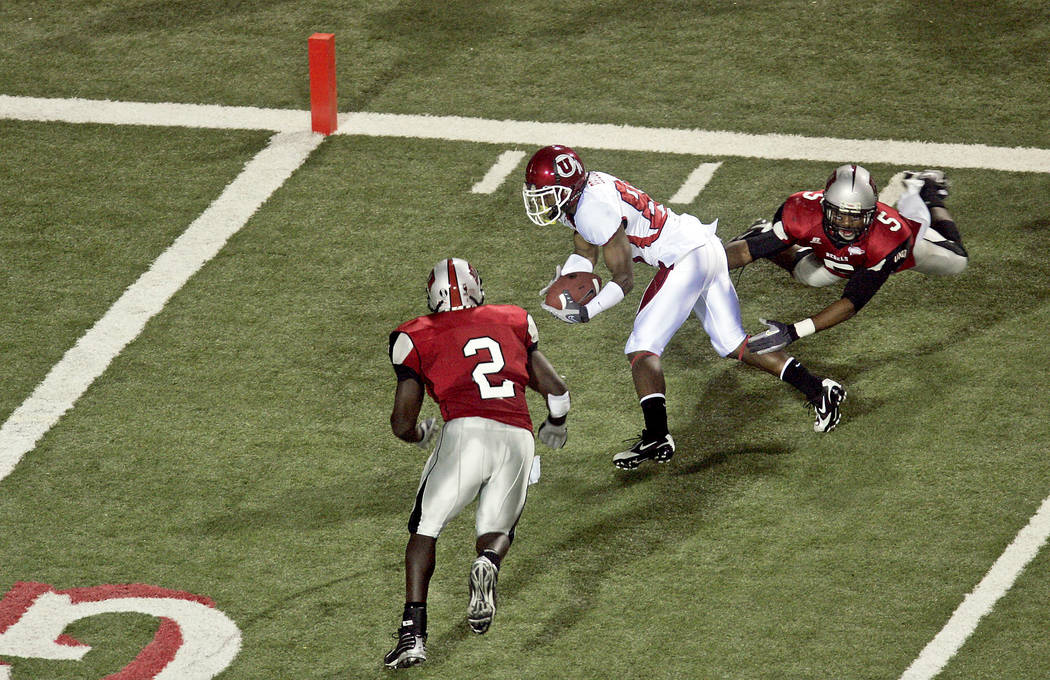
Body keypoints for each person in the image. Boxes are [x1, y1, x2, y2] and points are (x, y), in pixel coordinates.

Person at [521, 145, 845, 473]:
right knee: (731, 342)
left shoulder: (592, 208)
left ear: (567, 187)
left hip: (683, 257)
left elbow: (624, 278)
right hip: (702, 247)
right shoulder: (584, 195)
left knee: (641, 348)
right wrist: (567, 279)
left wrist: (588, 311)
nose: (541, 200)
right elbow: (586, 248)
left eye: (546, 193)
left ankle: (657, 436)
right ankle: (818, 389)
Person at [383, 257, 570, 669]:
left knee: (425, 527)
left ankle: (412, 633)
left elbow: (402, 422)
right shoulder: (513, 319)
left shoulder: (415, 336)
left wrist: (419, 434)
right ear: (476, 288)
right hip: (518, 437)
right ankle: (488, 562)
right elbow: (556, 390)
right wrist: (555, 423)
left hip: (465, 433)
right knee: (497, 531)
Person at [725, 165, 967, 355]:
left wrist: (793, 332)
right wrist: (705, 262)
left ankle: (927, 191)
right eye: (839, 215)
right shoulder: (800, 210)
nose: (847, 225)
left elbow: (853, 301)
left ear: (871, 213)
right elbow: (748, 251)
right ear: (824, 205)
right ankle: (762, 232)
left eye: (856, 217)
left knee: (957, 260)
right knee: (808, 276)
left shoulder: (890, 238)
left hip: (897, 250)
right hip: (844, 253)